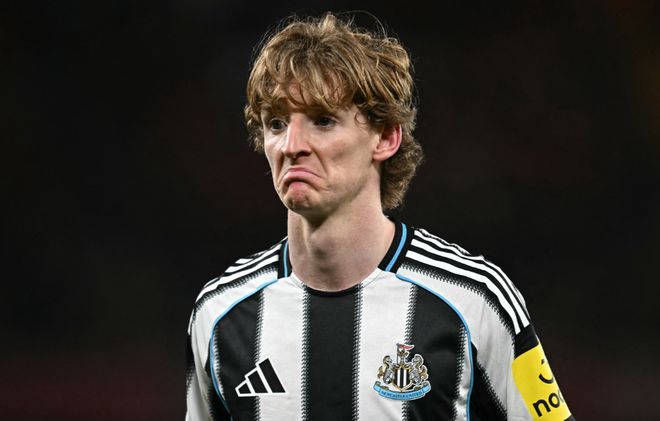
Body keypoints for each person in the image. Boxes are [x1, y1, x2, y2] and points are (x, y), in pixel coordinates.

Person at [186, 12, 574, 421]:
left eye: (322, 121)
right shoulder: (219, 313)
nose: (291, 145)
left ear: (387, 137)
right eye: (276, 124)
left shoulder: (475, 300)